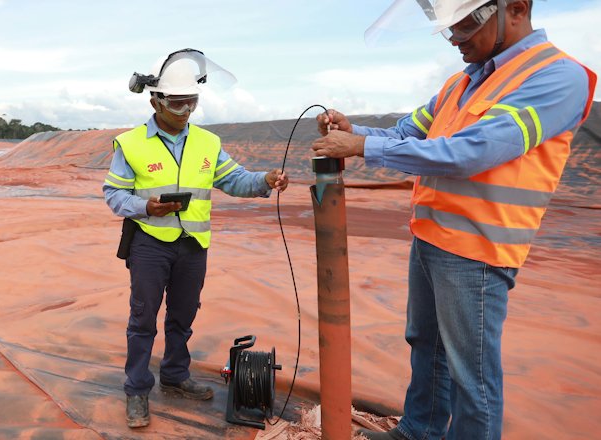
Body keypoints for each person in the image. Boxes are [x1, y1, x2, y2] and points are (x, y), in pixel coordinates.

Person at [311, 1, 595, 439]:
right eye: (449, 30)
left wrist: (361, 148)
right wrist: (357, 132)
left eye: (464, 26)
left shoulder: (557, 77)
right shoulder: (462, 83)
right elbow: (405, 133)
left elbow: (473, 151)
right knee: (427, 348)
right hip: (430, 238)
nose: (456, 40)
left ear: (515, 9)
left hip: (477, 253)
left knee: (471, 377)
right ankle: (418, 431)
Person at [103, 48, 289, 428]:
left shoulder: (209, 142)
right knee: (143, 320)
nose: (185, 109)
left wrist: (264, 181)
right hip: (150, 245)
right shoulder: (130, 143)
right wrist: (145, 207)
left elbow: (234, 179)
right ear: (155, 99)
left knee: (183, 316)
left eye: (192, 101)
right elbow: (114, 194)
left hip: (193, 247)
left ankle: (174, 373)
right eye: (177, 102)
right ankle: (137, 389)